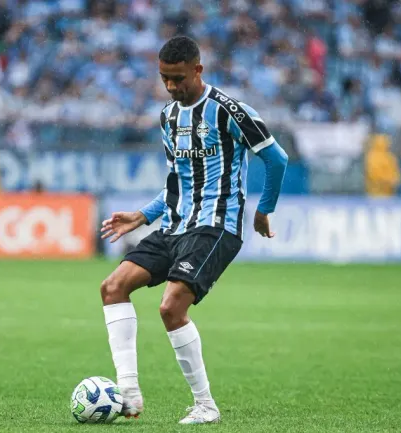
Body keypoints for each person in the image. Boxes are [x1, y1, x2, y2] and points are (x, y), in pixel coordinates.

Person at [100, 36, 289, 425]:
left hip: (216, 224)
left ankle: (206, 406)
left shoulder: (229, 112)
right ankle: (129, 395)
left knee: (171, 307)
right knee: (112, 287)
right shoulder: (168, 116)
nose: (171, 86)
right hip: (175, 224)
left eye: (178, 78)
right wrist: (143, 216)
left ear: (198, 70)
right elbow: (178, 181)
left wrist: (263, 211)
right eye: (164, 78)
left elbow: (277, 159)